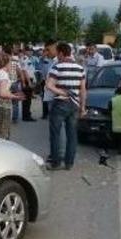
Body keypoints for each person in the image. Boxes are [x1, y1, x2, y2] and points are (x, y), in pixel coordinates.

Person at [45, 42, 86, 170]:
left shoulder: (57, 67)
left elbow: (49, 85)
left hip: (60, 103)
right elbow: (83, 90)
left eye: (58, 53)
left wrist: (61, 92)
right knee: (72, 134)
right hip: (75, 104)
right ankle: (69, 163)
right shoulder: (80, 68)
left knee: (55, 134)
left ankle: (56, 162)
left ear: (62, 53)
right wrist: (82, 107)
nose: (57, 55)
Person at [0, 53, 25, 139]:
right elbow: (2, 93)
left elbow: (3, 91)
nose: (12, 66)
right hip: (2, 106)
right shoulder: (3, 75)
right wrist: (16, 97)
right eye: (11, 64)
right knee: (3, 134)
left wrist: (12, 94)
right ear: (7, 64)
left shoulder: (0, 73)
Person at [39, 41, 58, 119]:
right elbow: (40, 65)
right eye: (45, 50)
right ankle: (45, 114)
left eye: (48, 50)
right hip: (45, 82)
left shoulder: (57, 61)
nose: (47, 52)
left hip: (54, 89)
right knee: (44, 98)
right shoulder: (44, 59)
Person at [19, 49, 37, 121]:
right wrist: (29, 82)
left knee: (27, 99)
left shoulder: (27, 59)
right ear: (25, 52)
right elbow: (24, 71)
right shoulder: (25, 59)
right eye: (29, 51)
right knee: (27, 99)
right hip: (27, 80)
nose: (31, 52)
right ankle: (26, 116)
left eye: (31, 51)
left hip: (29, 79)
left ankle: (26, 115)